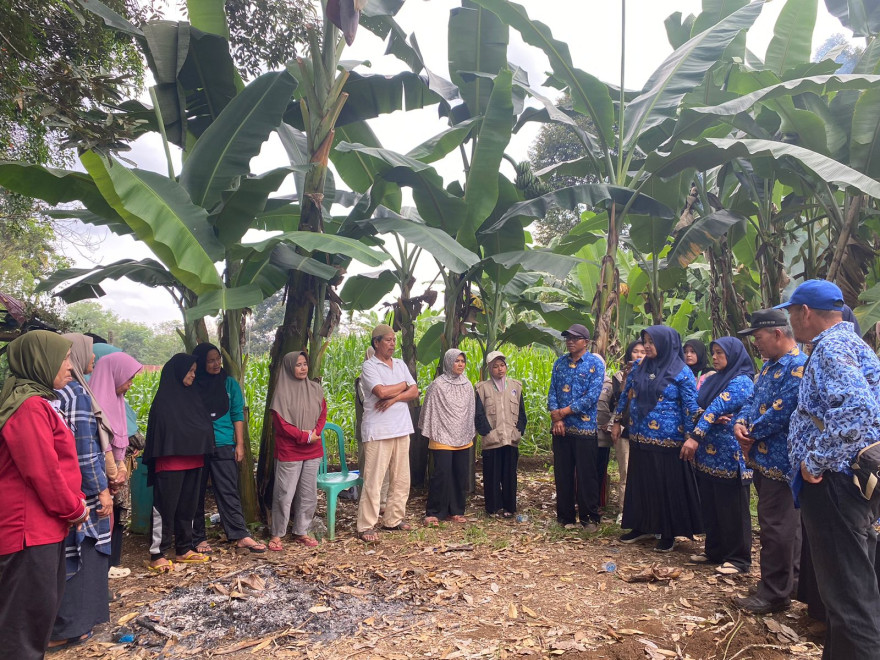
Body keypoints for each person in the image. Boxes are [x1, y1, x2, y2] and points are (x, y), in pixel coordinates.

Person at [778, 279, 880, 659]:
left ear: (805, 312)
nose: (790, 321)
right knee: (852, 590)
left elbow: (857, 409)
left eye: (790, 313)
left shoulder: (831, 348)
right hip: (853, 481)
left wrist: (814, 460)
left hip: (834, 482)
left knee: (849, 599)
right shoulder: (853, 344)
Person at [0, 331, 89, 659]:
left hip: (40, 529)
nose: (70, 366)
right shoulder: (29, 408)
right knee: (23, 630)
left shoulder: (32, 402)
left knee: (33, 621)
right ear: (40, 361)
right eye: (64, 358)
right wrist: (75, 509)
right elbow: (43, 472)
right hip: (28, 531)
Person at [48, 334, 121, 650]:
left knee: (70, 554)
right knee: (84, 551)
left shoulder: (60, 392)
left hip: (69, 489)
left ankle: (69, 622)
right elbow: (85, 450)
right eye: (88, 353)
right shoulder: (76, 394)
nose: (93, 359)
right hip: (85, 493)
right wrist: (101, 489)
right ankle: (73, 626)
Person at [731, 309, 806, 614]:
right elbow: (752, 400)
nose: (756, 344)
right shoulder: (767, 367)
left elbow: (784, 410)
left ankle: (774, 593)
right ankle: (788, 583)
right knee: (782, 527)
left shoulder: (797, 367)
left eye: (758, 338)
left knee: (778, 528)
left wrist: (751, 432)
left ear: (777, 334)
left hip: (782, 463)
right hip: (762, 459)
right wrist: (739, 422)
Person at [611, 325, 702, 552]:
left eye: (652, 342)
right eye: (645, 341)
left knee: (666, 486)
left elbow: (690, 407)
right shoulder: (640, 367)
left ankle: (668, 532)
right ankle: (641, 526)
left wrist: (691, 437)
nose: (647, 346)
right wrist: (617, 420)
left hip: (669, 440)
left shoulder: (681, 371)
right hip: (640, 436)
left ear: (665, 343)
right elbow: (626, 394)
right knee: (641, 483)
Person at [680, 337, 755, 575]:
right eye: (713, 353)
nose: (714, 357)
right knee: (711, 504)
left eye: (720, 353)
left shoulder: (741, 381)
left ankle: (738, 558)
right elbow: (697, 406)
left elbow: (716, 408)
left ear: (733, 356)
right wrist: (705, 416)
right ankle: (714, 551)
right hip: (708, 455)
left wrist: (696, 434)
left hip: (730, 454)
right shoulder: (713, 379)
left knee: (731, 507)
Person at [190, 343, 265, 554]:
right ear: (201, 363)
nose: (216, 364)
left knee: (228, 490)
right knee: (196, 493)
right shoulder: (193, 384)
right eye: (210, 360)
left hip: (224, 443)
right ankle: (198, 539)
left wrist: (239, 444)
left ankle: (240, 535)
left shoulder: (229, 384)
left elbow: (237, 415)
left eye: (218, 359)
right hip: (197, 445)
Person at [143, 354, 215, 571]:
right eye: (190, 371)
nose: (193, 375)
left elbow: (204, 426)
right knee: (165, 508)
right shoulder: (164, 400)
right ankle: (158, 553)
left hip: (194, 461)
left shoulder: (194, 397)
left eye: (194, 371)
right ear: (178, 371)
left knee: (188, 507)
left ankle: (184, 548)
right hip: (170, 463)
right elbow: (165, 430)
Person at [357, 324, 419, 542]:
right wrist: (402, 385)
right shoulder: (369, 366)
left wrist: (394, 397)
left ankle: (393, 519)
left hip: (402, 428)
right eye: (388, 340)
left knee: (401, 478)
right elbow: (380, 392)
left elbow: (414, 391)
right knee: (374, 480)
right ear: (376, 342)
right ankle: (366, 525)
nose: (392, 344)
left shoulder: (400, 364)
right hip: (378, 430)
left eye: (394, 340)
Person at [88, 343, 142, 578]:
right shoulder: (94, 400)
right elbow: (101, 441)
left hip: (116, 475)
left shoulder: (118, 401)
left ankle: (108, 567)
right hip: (100, 478)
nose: (130, 384)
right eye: (128, 378)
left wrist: (120, 467)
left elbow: (128, 437)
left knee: (115, 520)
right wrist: (114, 472)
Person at [547, 324, 606, 532]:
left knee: (586, 474)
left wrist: (564, 412)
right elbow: (552, 391)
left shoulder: (594, 364)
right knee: (562, 473)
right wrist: (557, 418)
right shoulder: (559, 363)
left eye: (575, 338)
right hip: (561, 429)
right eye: (567, 338)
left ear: (586, 342)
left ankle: (589, 517)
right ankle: (565, 516)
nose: (570, 341)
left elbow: (592, 396)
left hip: (584, 428)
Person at [268, 351, 326, 551]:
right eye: (298, 364)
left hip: (313, 449)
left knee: (308, 493)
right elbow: (281, 424)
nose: (303, 368)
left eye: (305, 364)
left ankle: (301, 530)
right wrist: (304, 436)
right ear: (289, 367)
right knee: (284, 493)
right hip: (290, 450)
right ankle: (277, 533)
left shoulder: (316, 389)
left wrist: (314, 433)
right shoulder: (281, 393)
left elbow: (322, 414)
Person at [420, 349, 476, 525]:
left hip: (462, 435)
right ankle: (434, 512)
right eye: (456, 361)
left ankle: (456, 510)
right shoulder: (437, 385)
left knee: (460, 474)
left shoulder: (467, 384)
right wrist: (433, 428)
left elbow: (470, 411)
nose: (460, 364)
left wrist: (467, 429)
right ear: (448, 362)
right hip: (442, 434)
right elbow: (428, 409)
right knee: (442, 474)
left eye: (463, 361)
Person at [475, 350, 526, 518]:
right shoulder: (482, 388)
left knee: (509, 474)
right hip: (492, 439)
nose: (499, 369)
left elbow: (521, 412)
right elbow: (479, 414)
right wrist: (486, 432)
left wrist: (519, 430)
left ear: (506, 367)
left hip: (511, 438)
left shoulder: (516, 386)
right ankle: (493, 508)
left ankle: (509, 507)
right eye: (495, 366)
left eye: (502, 365)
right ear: (489, 369)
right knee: (492, 474)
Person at [610, 340, 646, 522]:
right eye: (635, 351)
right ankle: (624, 511)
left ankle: (644, 512)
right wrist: (626, 379)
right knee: (625, 471)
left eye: (642, 351)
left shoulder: (652, 375)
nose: (639, 355)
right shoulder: (618, 376)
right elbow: (616, 400)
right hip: (625, 428)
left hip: (647, 432)